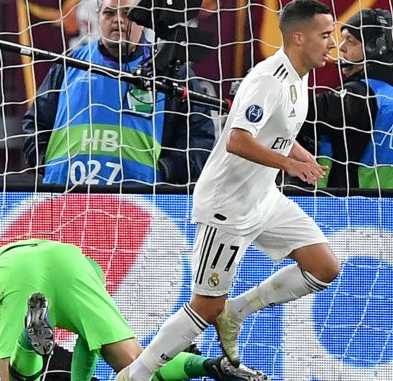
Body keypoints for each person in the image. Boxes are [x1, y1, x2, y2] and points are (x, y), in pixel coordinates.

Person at [117, 1, 341, 380]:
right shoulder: (269, 80)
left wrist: (303, 157)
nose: (332, 42)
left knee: (323, 268)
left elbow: (280, 134)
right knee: (204, 307)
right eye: (325, 34)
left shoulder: (299, 78)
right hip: (228, 207)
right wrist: (290, 165)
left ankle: (236, 311)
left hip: (263, 198)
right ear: (298, 37)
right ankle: (135, 375)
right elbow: (238, 140)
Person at [0, 239, 268, 381]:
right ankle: (211, 365)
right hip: (73, 263)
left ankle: (28, 336)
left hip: (14, 266)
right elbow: (88, 346)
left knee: (13, 375)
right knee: (139, 365)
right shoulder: (92, 275)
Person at [21, 0, 215, 186]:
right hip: (65, 197)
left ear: (145, 20)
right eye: (109, 13)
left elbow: (199, 136)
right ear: (98, 18)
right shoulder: (69, 64)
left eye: (127, 14)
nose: (118, 20)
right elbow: (36, 121)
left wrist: (167, 170)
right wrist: (45, 161)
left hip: (143, 203)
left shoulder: (172, 72)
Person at [298, 8, 393, 190]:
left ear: (374, 48)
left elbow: (298, 111)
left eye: (351, 41)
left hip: (361, 209)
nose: (341, 47)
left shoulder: (360, 95)